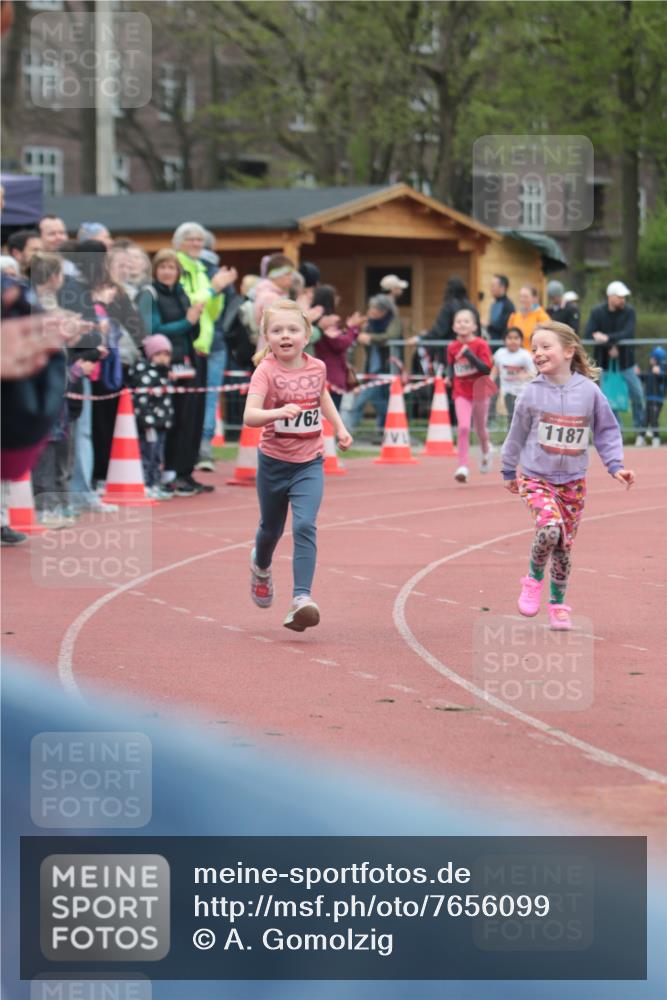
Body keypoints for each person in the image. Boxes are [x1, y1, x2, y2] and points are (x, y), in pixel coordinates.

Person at [501, 320, 635, 631]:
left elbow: (606, 430)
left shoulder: (588, 392)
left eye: (546, 347)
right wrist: (509, 469)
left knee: (563, 548)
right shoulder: (531, 394)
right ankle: (533, 579)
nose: (538, 353)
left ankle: (558, 605)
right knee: (549, 530)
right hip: (536, 478)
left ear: (568, 351)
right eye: (534, 348)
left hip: (573, 483)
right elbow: (516, 434)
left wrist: (615, 465)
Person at [243, 299, 352, 631]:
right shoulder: (266, 371)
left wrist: (340, 427)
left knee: (305, 525)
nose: (285, 336)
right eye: (277, 330)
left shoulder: (317, 367)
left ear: (306, 335)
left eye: (292, 330)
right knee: (271, 529)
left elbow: (322, 397)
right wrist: (278, 413)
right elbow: (249, 416)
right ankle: (261, 566)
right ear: (267, 337)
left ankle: (301, 599)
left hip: (309, 462)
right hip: (274, 462)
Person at [146, 247, 207, 496]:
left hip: (187, 360)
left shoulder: (182, 293)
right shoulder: (150, 295)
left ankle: (181, 471)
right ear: (155, 270)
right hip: (163, 363)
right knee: (167, 418)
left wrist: (195, 321)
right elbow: (156, 328)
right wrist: (188, 322)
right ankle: (163, 471)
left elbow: (193, 331)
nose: (167, 272)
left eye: (171, 267)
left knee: (186, 416)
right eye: (162, 267)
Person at [584, 280, 646, 445]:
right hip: (604, 364)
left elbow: (628, 333)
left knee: (638, 395)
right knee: (608, 400)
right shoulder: (597, 312)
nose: (623, 300)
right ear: (610, 297)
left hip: (626, 363)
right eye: (620, 297)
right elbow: (590, 333)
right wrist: (609, 345)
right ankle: (617, 431)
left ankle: (639, 430)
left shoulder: (629, 312)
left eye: (624, 297)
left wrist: (608, 339)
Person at [445, 308, 494, 483]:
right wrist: (449, 377)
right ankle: (463, 466)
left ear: (474, 326)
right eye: (458, 321)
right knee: (464, 427)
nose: (462, 324)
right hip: (461, 392)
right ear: (453, 326)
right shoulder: (451, 347)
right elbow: (451, 365)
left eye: (466, 321)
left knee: (480, 429)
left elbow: (486, 369)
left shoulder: (481, 344)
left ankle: (486, 450)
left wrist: (469, 355)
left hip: (480, 392)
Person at [128, 334, 175, 500]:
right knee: (147, 454)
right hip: (149, 423)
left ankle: (154, 483)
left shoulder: (163, 374)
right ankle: (146, 483)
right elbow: (141, 400)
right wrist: (147, 421)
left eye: (167, 354)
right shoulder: (145, 374)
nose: (163, 358)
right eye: (159, 354)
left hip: (161, 422)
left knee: (157, 456)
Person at [348, 294, 398, 442]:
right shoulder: (369, 323)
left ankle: (352, 430)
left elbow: (391, 336)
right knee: (375, 400)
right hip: (372, 368)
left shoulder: (393, 321)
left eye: (373, 308)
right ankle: (356, 430)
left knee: (376, 400)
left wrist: (370, 338)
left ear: (382, 310)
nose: (370, 311)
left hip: (387, 367)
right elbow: (356, 337)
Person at [311, 284, 363, 409]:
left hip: (326, 375)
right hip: (331, 376)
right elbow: (340, 344)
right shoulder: (326, 321)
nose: (338, 299)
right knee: (330, 417)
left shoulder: (315, 319)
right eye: (335, 296)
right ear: (329, 299)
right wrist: (353, 328)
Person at [420, 277, 480, 366]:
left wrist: (421, 338)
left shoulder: (448, 306)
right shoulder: (472, 307)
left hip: (450, 351)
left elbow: (439, 329)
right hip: (472, 350)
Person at [491, 326, 535, 428]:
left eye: (516, 338)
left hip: (522, 392)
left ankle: (524, 439)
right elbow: (496, 368)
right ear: (505, 340)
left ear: (521, 340)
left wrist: (523, 375)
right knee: (511, 418)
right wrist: (491, 379)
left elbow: (533, 372)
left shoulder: (525, 355)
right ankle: (512, 441)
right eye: (510, 338)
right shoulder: (500, 353)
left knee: (522, 418)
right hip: (507, 392)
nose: (513, 341)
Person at [507, 285, 550, 349]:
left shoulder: (542, 317)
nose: (522, 299)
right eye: (521, 296)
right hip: (517, 354)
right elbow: (508, 336)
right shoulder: (514, 316)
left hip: (534, 355)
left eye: (525, 297)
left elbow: (547, 339)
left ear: (535, 298)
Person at [644, 345, 666, 447]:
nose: (651, 359)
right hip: (649, 398)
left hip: (657, 399)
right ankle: (641, 438)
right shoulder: (650, 369)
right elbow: (646, 379)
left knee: (653, 419)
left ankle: (656, 439)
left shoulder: (662, 370)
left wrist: (660, 373)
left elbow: (663, 380)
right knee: (646, 418)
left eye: (653, 357)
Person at [486, 274, 515, 340]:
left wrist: (488, 324)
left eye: (493, 286)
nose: (491, 288)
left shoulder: (508, 305)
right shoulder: (494, 304)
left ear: (502, 287)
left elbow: (504, 327)